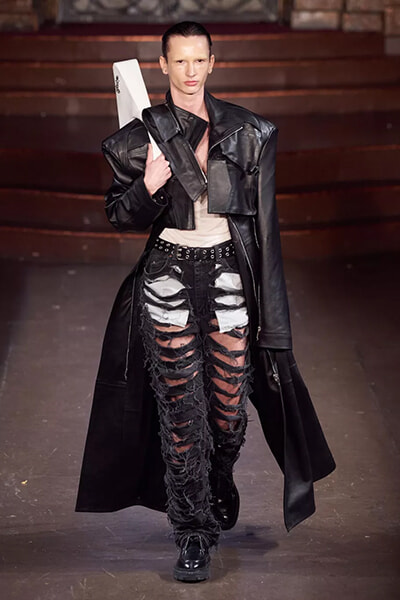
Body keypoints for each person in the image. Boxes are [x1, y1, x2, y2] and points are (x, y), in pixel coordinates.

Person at [75, 21, 335, 583]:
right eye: (180, 61)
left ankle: (217, 475)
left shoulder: (251, 132)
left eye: (200, 60)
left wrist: (277, 326)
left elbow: (266, 231)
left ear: (213, 63)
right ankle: (192, 530)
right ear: (163, 65)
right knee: (180, 412)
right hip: (166, 274)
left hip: (229, 275)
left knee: (226, 409)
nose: (190, 71)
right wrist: (148, 183)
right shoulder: (141, 135)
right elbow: (119, 214)